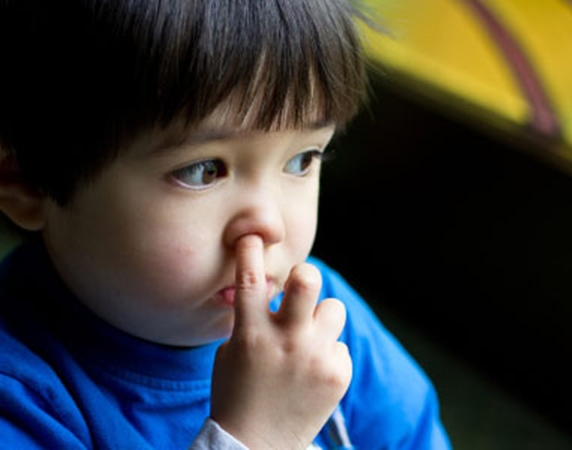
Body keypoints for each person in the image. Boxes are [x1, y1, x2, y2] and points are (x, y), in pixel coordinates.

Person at [0, 1, 452, 448]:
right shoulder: (21, 399)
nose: (268, 225)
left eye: (301, 159)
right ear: (25, 183)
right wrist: (254, 437)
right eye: (203, 170)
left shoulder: (320, 317)